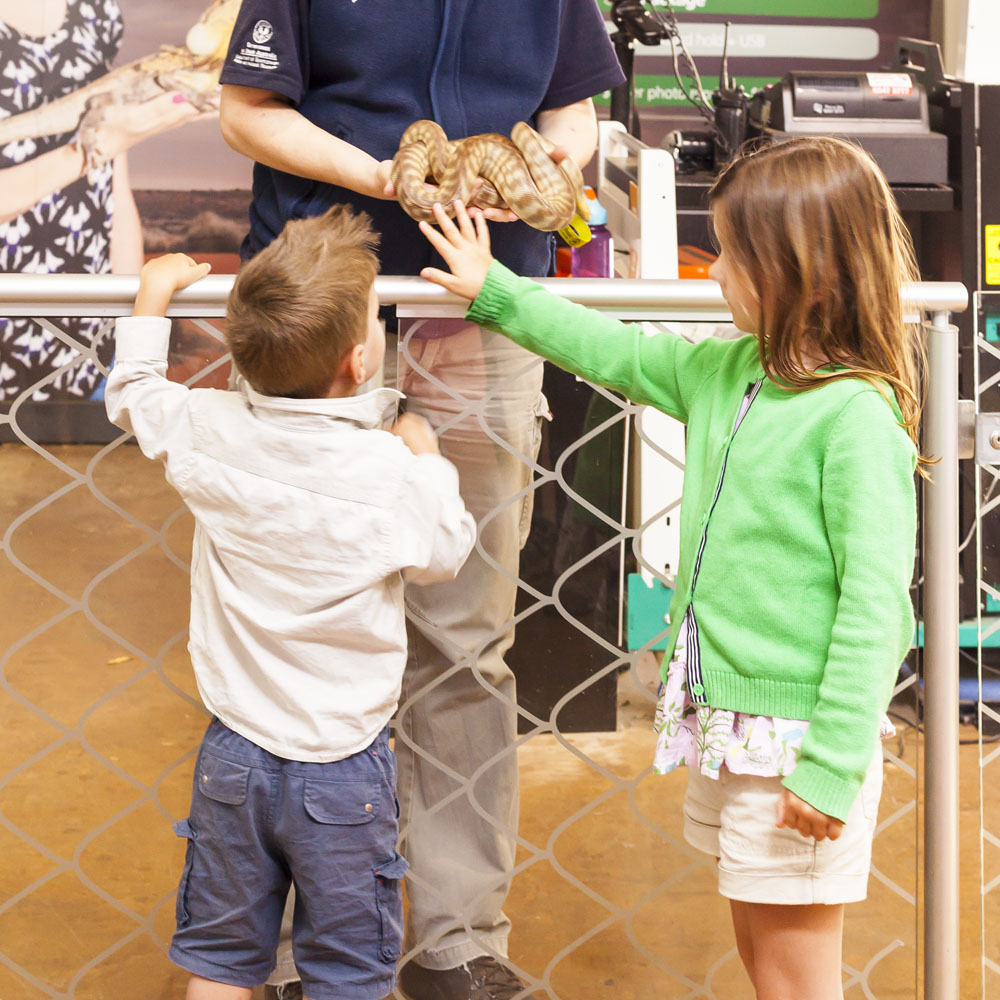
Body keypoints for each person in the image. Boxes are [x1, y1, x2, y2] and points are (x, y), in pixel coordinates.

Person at [418, 136, 923, 1000]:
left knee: (797, 977)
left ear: (804, 275)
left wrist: (833, 765)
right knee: (764, 959)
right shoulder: (730, 371)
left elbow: (877, 609)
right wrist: (494, 291)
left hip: (799, 745)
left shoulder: (855, 419)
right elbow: (611, 352)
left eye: (731, 256)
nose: (713, 271)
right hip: (736, 735)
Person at [216, 5, 625, 999]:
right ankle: (288, 952)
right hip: (322, 309)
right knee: (295, 630)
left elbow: (570, 110)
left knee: (467, 637)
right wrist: (380, 177)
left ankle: (457, 939)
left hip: (483, 305)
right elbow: (246, 111)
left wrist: (545, 169)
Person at [104, 205, 477, 1000]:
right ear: (358, 361)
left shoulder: (205, 428)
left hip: (233, 755)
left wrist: (153, 295)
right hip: (343, 767)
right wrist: (427, 460)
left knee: (218, 957)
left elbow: (133, 393)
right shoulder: (387, 473)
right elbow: (445, 552)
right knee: (346, 969)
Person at [0, 0, 210, 404]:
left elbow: (113, 186)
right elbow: (107, 145)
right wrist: (94, 150)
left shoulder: (97, 13)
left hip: (90, 340)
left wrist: (129, 333)